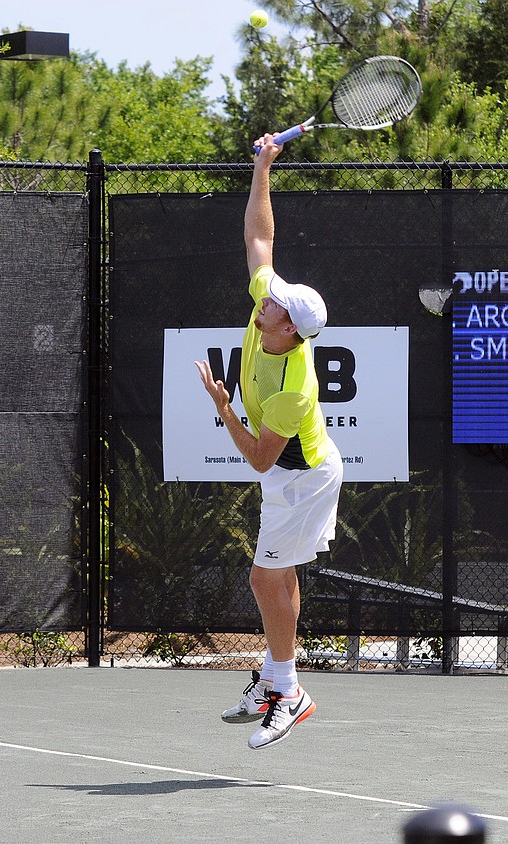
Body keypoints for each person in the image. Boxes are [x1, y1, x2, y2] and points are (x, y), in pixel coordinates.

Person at [195, 132, 343, 750]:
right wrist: (263, 168)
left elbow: (260, 457)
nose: (263, 301)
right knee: (280, 576)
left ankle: (288, 690)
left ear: (291, 330)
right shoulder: (270, 307)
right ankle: (278, 676)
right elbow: (261, 238)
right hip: (293, 477)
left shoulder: (291, 389)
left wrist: (225, 407)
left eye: (274, 307)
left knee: (264, 578)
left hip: (302, 478)